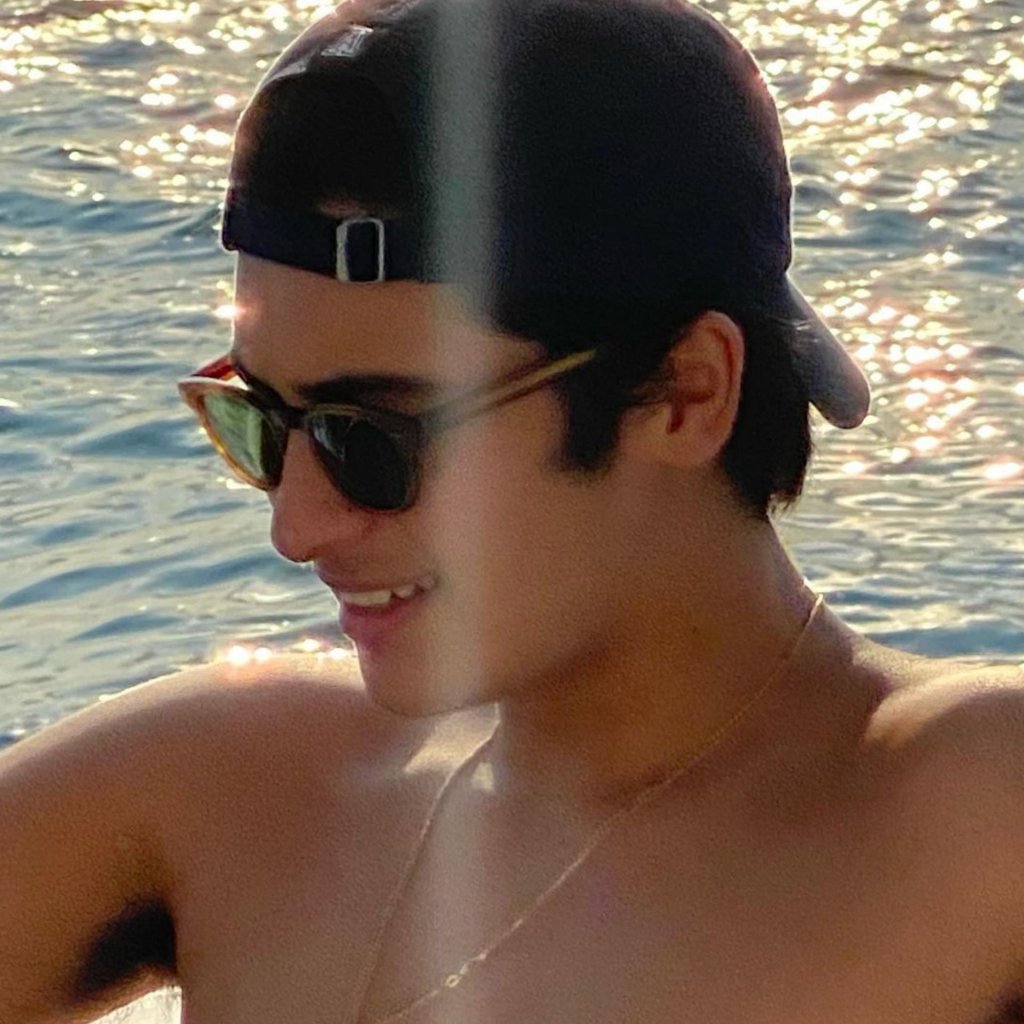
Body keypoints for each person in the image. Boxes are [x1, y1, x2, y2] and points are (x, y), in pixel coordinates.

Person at [2, 0, 1022, 1021]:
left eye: (371, 440)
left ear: (684, 392)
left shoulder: (973, 812)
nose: (296, 528)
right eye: (261, 423)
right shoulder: (226, 789)